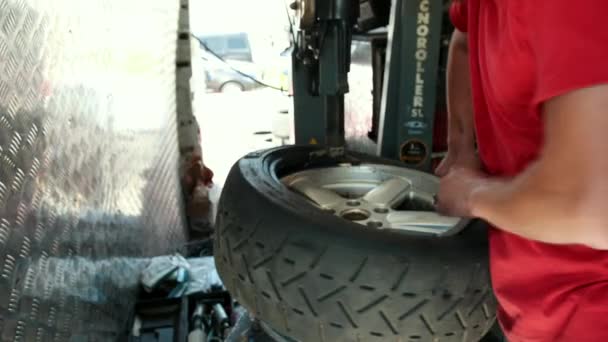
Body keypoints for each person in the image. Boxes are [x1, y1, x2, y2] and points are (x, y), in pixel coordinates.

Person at [435, 1, 608, 341]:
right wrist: (460, 149)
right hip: (531, 296)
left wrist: (470, 194)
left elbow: (591, 210)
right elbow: (464, 39)